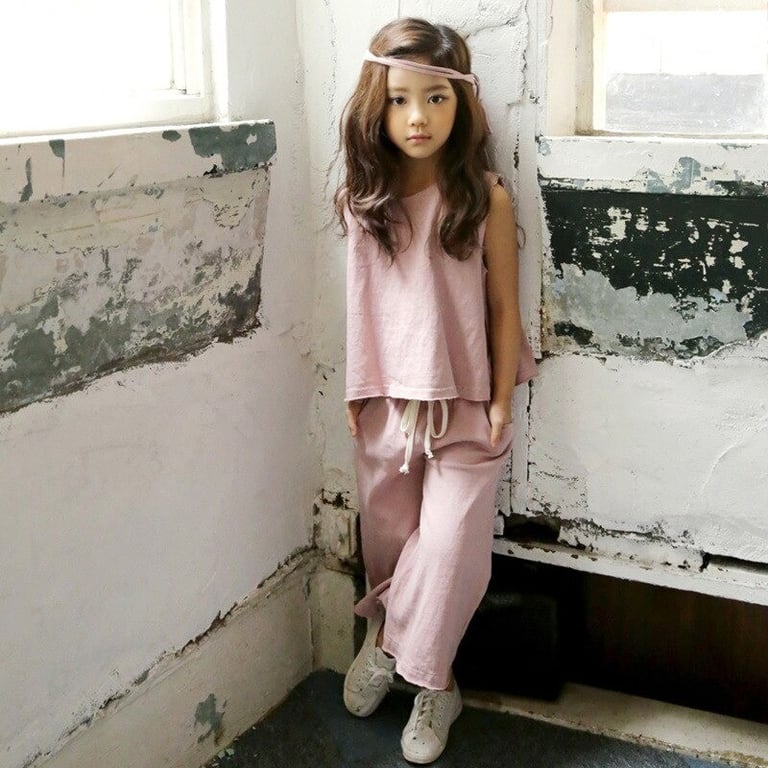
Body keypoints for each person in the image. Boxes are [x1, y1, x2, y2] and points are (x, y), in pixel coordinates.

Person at [333, 17, 537, 765]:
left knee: (449, 550)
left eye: (436, 99)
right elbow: (360, 302)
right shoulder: (366, 199)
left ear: (463, 103)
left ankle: (388, 643)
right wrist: (357, 390)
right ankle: (439, 684)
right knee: (389, 547)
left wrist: (501, 399)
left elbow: (504, 308)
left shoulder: (484, 199)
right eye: (400, 100)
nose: (417, 117)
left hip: (468, 402)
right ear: (377, 107)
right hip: (387, 401)